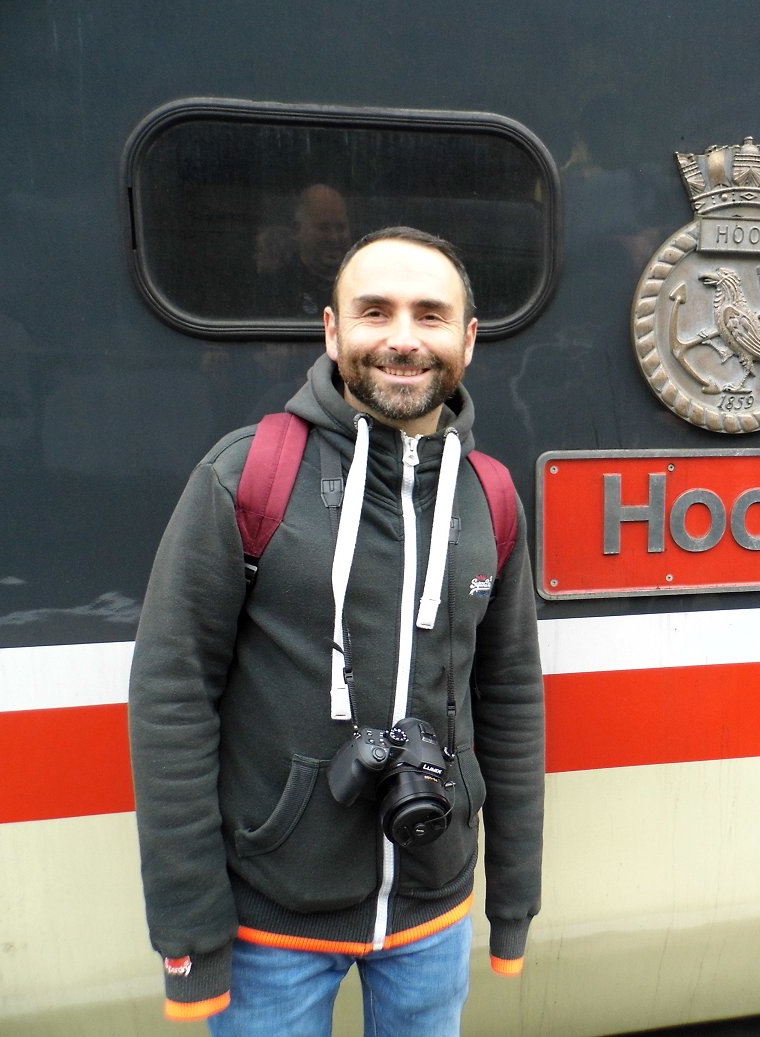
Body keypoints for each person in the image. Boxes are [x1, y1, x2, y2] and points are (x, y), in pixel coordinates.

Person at [129, 226, 545, 1036]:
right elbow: (171, 697)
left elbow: (512, 699)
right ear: (332, 331)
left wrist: (515, 900)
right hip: (271, 928)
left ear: (466, 340)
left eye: (429, 315)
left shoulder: (489, 497)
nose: (400, 338)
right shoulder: (247, 475)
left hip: (433, 911)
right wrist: (192, 938)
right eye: (374, 312)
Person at [257, 184, 353, 316]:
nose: (334, 237)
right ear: (298, 229)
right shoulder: (275, 290)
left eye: (341, 227)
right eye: (324, 228)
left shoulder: (362, 283)